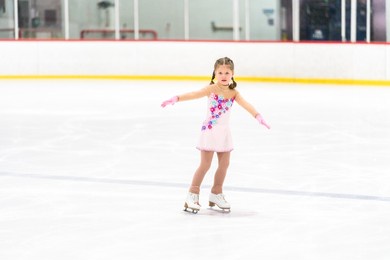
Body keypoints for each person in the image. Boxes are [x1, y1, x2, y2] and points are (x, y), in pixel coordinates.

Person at [161, 57, 270, 213]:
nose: (223, 75)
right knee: (205, 165)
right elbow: (194, 94)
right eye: (220, 72)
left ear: (232, 74)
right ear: (215, 73)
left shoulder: (233, 93)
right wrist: (176, 98)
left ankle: (216, 193)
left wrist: (258, 116)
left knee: (224, 165)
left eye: (227, 72)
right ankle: (192, 194)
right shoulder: (211, 89)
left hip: (224, 133)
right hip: (210, 131)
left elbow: (247, 105)